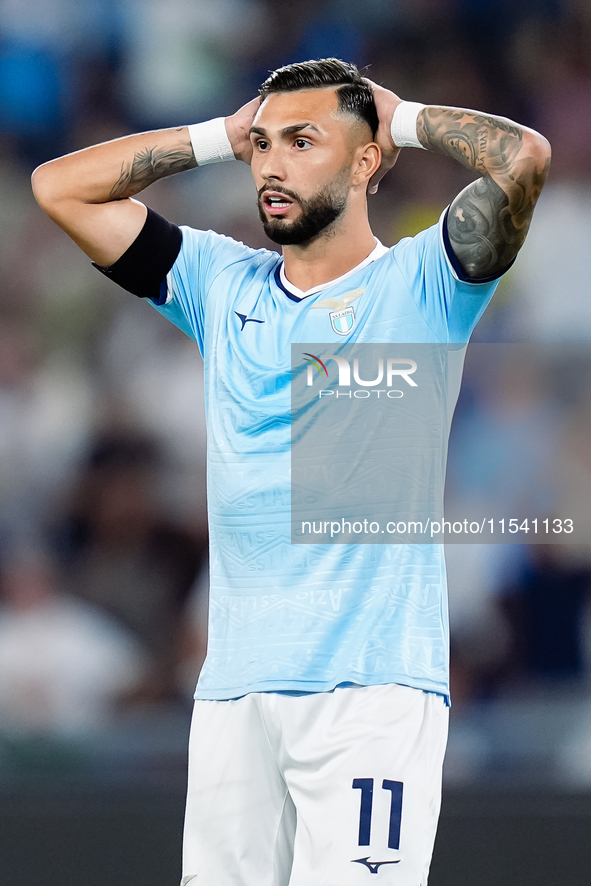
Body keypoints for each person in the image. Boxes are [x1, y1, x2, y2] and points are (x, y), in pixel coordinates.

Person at [32, 58, 550, 886]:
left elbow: (521, 160)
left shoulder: (424, 284)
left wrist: (403, 115)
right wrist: (217, 136)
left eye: (302, 141)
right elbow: (59, 188)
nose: (271, 164)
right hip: (234, 693)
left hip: (371, 696)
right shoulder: (214, 280)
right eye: (263, 145)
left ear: (365, 161)